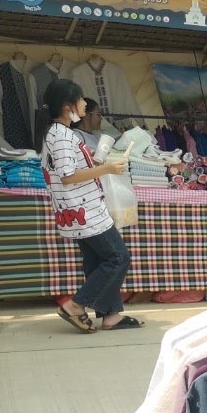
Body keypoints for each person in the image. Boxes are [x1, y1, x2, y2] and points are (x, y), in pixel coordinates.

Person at [41, 79, 143, 333]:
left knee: (97, 260)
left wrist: (100, 165)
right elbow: (67, 175)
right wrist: (106, 168)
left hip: (78, 209)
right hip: (84, 209)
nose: (85, 103)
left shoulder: (57, 133)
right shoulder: (63, 135)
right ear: (68, 107)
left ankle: (111, 315)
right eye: (81, 99)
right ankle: (75, 305)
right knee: (118, 257)